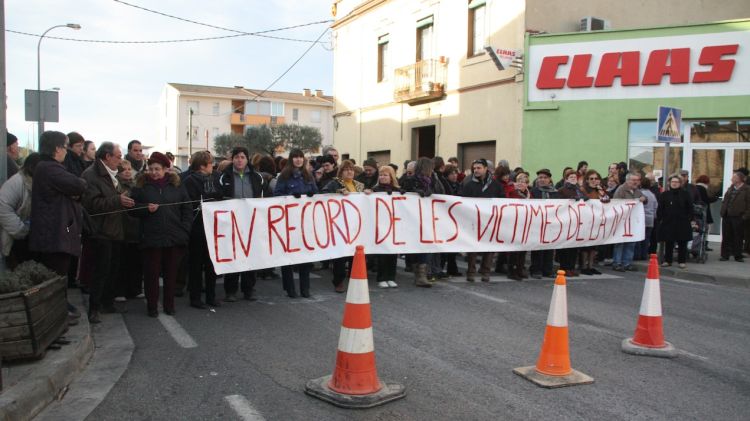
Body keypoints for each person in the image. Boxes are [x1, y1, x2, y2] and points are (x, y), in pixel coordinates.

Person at [29, 131, 87, 320]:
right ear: (57, 149)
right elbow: (79, 185)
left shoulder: (47, 168)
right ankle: (55, 314)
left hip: (55, 233)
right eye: (65, 146)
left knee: (58, 276)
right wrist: (74, 190)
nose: (66, 151)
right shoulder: (50, 168)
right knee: (56, 276)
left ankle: (59, 309)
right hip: (54, 235)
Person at [130, 152, 192, 317]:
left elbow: (187, 209)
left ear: (166, 169)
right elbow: (131, 209)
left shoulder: (177, 186)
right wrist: (145, 209)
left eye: (157, 169)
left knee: (171, 275)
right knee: (151, 275)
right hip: (151, 238)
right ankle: (152, 307)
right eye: (151, 169)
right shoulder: (141, 186)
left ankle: (169, 305)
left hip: (174, 237)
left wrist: (184, 230)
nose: (154, 172)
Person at [81, 142, 135, 323]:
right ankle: (94, 307)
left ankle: (106, 302)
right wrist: (117, 200)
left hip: (115, 229)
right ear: (107, 157)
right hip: (100, 230)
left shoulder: (113, 175)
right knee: (100, 271)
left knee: (113, 269)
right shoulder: (91, 175)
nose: (120, 161)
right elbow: (92, 205)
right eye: (118, 156)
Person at [217, 146, 271, 301]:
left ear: (247, 159)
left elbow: (266, 197)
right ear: (232, 159)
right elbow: (217, 198)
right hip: (231, 223)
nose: (239, 160)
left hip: (251, 223)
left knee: (250, 256)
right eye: (236, 157)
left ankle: (249, 289)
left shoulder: (257, 177)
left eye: (242, 157)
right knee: (233, 256)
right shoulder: (223, 177)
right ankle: (230, 290)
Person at [273, 149, 318, 298]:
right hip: (288, 221)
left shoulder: (308, 175)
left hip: (305, 222)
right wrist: (291, 197)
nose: (298, 160)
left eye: (300, 157)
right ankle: (290, 288)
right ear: (291, 159)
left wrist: (311, 195)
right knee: (288, 256)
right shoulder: (284, 177)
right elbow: (277, 196)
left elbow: (316, 194)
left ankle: (305, 288)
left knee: (305, 256)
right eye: (295, 157)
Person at [183, 151, 224, 308]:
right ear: (202, 166)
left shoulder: (214, 178)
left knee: (211, 263)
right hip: (197, 226)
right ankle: (195, 297)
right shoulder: (190, 181)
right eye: (209, 163)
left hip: (213, 225)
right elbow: (188, 202)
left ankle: (211, 296)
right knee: (196, 263)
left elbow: (219, 195)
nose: (212, 166)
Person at [322, 160, 365, 292]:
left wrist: (369, 193)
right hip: (340, 224)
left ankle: (355, 279)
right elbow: (323, 193)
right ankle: (338, 281)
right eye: (346, 169)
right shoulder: (334, 183)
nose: (349, 171)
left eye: (351, 169)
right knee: (341, 255)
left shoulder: (359, 185)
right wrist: (337, 192)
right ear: (341, 172)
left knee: (356, 254)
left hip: (356, 224)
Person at [459, 159, 502, 283]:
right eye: (474, 168)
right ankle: (471, 272)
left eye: (479, 168)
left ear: (485, 169)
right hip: (474, 221)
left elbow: (502, 199)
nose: (476, 170)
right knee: (473, 247)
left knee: (489, 247)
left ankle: (485, 271)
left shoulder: (495, 185)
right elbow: (461, 200)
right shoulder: (468, 184)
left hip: (490, 221)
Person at [400, 157, 437, 287]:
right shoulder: (410, 180)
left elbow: (442, 192)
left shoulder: (433, 180)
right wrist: (415, 192)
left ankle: (422, 275)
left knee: (426, 246)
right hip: (413, 219)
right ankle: (418, 273)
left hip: (427, 218)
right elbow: (402, 191)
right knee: (416, 246)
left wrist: (430, 191)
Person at [0, 153, 41, 269]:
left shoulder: (37, 182)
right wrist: (21, 230)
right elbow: (3, 208)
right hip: (17, 237)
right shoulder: (17, 182)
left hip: (31, 236)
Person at [115, 159, 143, 300]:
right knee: (121, 262)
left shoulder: (136, 185)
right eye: (123, 169)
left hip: (135, 227)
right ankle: (120, 290)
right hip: (121, 227)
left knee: (136, 261)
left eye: (128, 169)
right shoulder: (116, 186)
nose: (127, 171)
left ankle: (135, 289)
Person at [371, 165, 400, 288]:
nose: (382, 177)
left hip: (394, 224)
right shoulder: (375, 189)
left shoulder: (398, 190)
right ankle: (381, 277)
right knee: (382, 253)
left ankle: (391, 277)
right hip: (380, 224)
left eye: (385, 175)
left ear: (391, 177)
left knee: (393, 252)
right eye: (381, 175)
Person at [612, 173, 647, 271]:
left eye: (637, 180)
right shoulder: (621, 190)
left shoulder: (637, 191)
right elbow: (616, 203)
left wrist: (644, 199)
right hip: (622, 220)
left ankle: (627, 262)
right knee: (620, 242)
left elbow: (645, 199)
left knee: (631, 242)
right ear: (627, 180)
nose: (636, 182)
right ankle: (617, 262)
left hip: (632, 221)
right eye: (633, 180)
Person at [657, 175, 693, 268]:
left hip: (682, 222)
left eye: (676, 182)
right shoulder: (665, 194)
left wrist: (689, 218)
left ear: (680, 183)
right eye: (673, 182)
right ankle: (668, 261)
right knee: (669, 242)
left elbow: (690, 208)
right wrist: (661, 218)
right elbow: (660, 208)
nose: (674, 183)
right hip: (668, 222)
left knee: (682, 242)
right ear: (669, 183)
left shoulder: (685, 194)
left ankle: (682, 261)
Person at [529, 169, 559, 279]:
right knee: (537, 247)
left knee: (550, 247)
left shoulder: (555, 192)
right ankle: (536, 269)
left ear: (549, 179)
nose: (542, 179)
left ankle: (548, 269)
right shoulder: (533, 191)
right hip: (537, 223)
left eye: (545, 177)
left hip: (551, 223)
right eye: (540, 177)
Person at [558, 169, 587, 277]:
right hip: (567, 221)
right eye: (571, 177)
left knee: (574, 246)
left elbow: (586, 199)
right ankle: (564, 267)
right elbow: (560, 203)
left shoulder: (580, 189)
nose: (573, 179)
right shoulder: (562, 190)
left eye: (575, 177)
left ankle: (571, 267)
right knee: (566, 246)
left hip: (577, 221)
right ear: (566, 179)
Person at [580, 170, 610, 274]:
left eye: (596, 178)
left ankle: (591, 266)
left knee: (594, 245)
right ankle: (584, 266)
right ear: (587, 180)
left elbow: (606, 200)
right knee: (585, 245)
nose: (594, 180)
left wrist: (600, 189)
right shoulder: (583, 190)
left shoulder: (600, 190)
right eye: (591, 179)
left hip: (597, 220)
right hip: (586, 220)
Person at [719, 171, 750, 262]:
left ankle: (738, 255)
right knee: (726, 236)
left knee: (738, 236)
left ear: (739, 179)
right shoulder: (731, 188)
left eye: (734, 177)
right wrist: (722, 211)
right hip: (727, 216)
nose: (731, 179)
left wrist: (745, 216)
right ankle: (725, 255)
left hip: (739, 216)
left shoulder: (747, 189)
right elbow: (725, 200)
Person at [506, 172, 531, 281]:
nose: (521, 183)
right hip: (514, 223)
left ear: (527, 184)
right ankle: (512, 270)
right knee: (514, 249)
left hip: (525, 223)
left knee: (523, 249)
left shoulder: (529, 195)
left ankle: (520, 269)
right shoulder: (512, 192)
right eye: (519, 181)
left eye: (524, 182)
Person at [635, 177, 658, 261]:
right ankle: (644, 255)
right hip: (650, 219)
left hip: (641, 218)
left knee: (639, 238)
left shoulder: (640, 193)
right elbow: (656, 207)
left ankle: (637, 255)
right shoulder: (652, 195)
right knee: (646, 239)